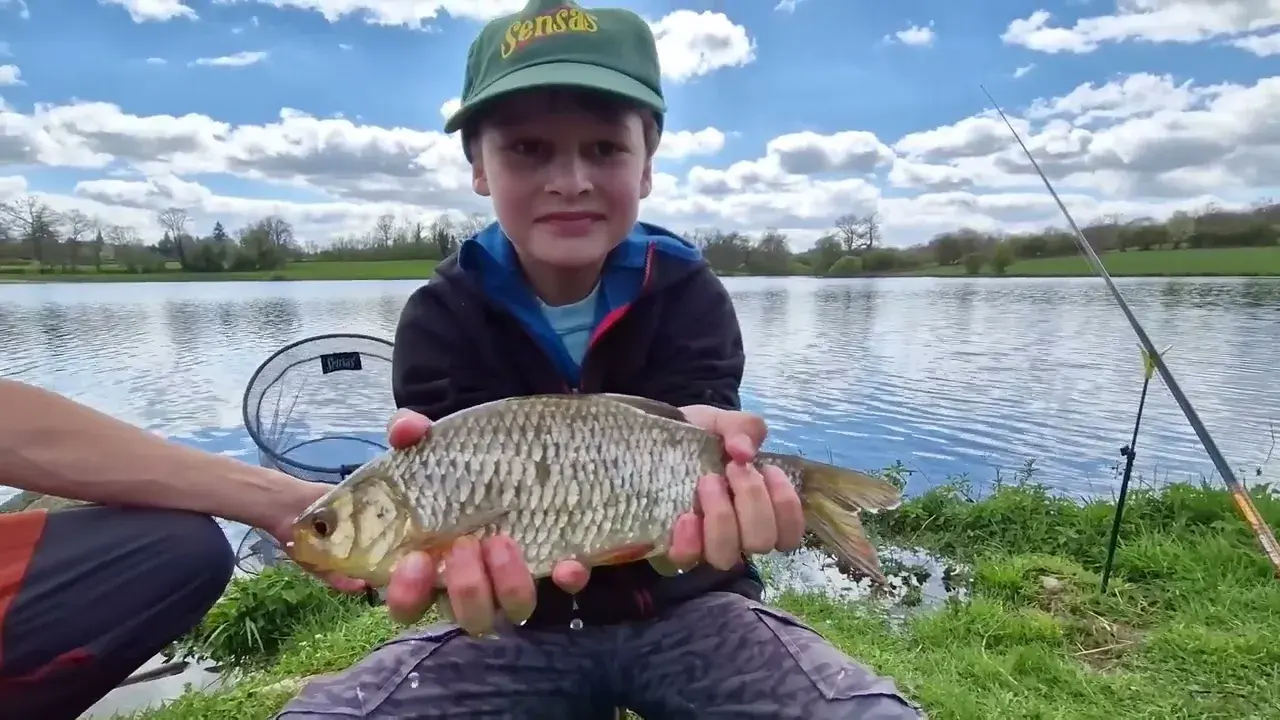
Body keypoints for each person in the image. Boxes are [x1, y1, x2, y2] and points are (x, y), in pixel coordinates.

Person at [276, 1, 923, 718]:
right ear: (479, 169)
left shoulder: (688, 291)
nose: (570, 179)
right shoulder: (439, 315)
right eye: (527, 149)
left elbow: (698, 449)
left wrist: (729, 481)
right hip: (512, 629)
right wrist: (431, 573)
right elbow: (445, 543)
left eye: (605, 150)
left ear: (645, 167)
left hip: (692, 609)